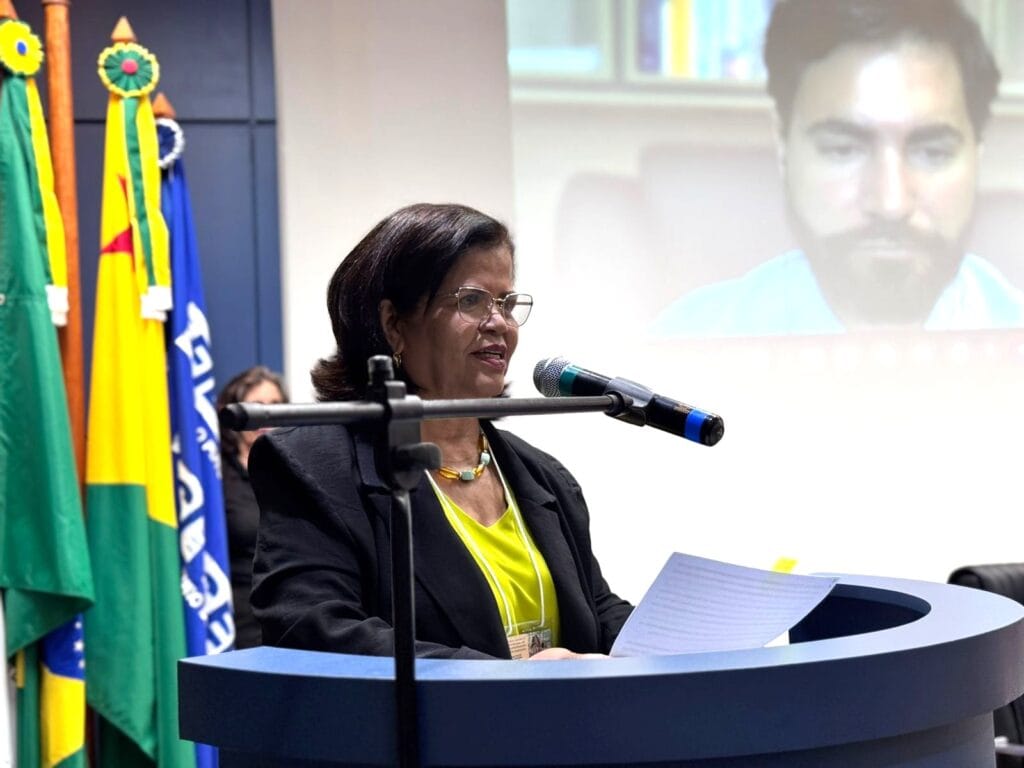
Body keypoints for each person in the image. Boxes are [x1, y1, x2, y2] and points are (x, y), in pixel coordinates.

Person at [248, 203, 632, 659]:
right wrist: (502, 682)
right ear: (393, 325)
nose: (499, 323)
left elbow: (596, 609)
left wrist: (688, 638)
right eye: (472, 300)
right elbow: (315, 630)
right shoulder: (314, 466)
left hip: (561, 729)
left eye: (507, 303)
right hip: (425, 730)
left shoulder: (542, 476)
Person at [653, 0, 1024, 336]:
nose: (890, 203)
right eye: (843, 150)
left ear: (978, 153)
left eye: (932, 152)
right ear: (784, 148)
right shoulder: (687, 347)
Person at [216, 365, 288, 649]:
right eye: (257, 406)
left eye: (274, 405)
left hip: (290, 617)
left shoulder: (295, 470)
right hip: (235, 622)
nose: (266, 415)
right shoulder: (216, 477)